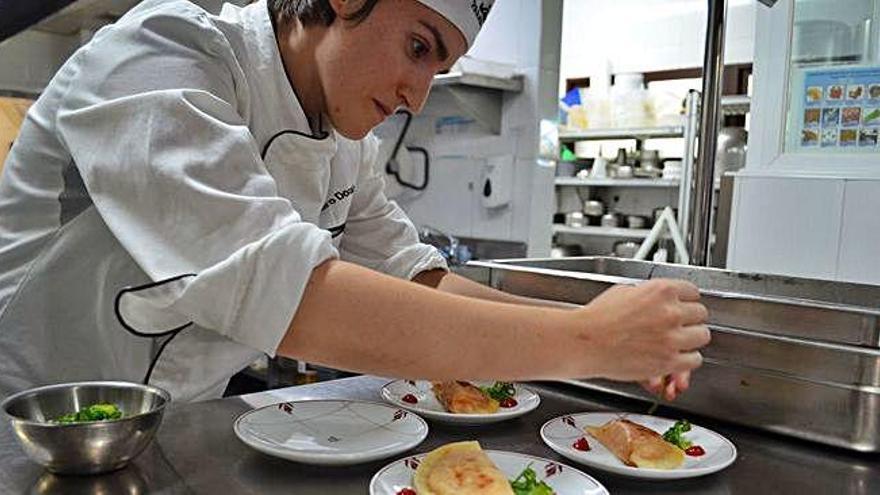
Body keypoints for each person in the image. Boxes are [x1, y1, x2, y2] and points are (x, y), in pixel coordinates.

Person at [0, 0, 710, 402]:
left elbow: (418, 277)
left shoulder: (343, 143)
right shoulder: (164, 57)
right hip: (25, 437)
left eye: (440, 67)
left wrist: (596, 323)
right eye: (417, 46)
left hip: (175, 439)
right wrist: (587, 344)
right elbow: (290, 297)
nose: (416, 95)